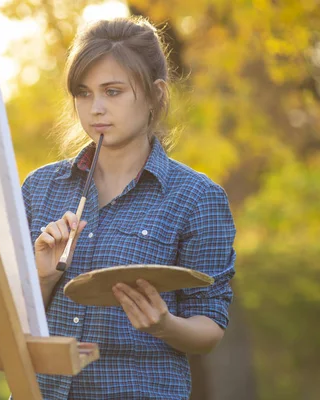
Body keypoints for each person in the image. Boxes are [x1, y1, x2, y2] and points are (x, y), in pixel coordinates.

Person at [21, 16, 236, 399]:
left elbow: (211, 328)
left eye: (113, 91)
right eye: (83, 93)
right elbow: (7, 319)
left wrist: (164, 325)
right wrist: (42, 278)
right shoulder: (40, 187)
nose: (96, 108)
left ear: (155, 93)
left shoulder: (197, 197)